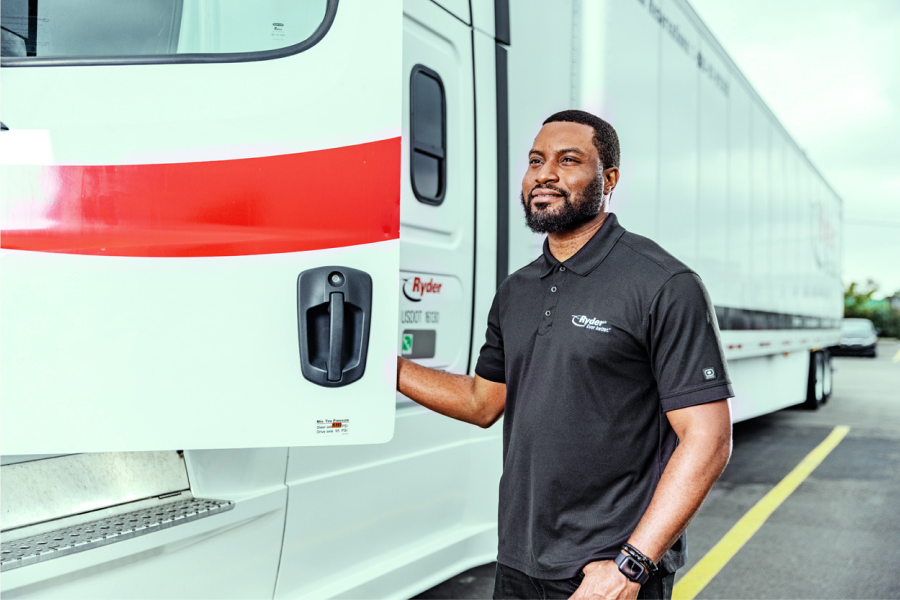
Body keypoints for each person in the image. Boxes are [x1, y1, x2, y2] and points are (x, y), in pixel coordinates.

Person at [397, 110, 733, 600]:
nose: (545, 174)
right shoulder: (517, 291)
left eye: (568, 160)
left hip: (607, 572)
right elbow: (481, 402)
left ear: (609, 179)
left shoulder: (663, 283)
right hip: (517, 563)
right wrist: (387, 369)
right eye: (536, 161)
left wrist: (631, 565)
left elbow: (708, 439)